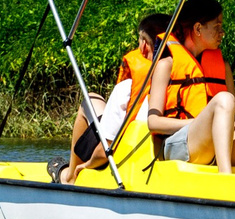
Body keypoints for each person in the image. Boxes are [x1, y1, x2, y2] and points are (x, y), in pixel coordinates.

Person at [148, 0, 235, 178]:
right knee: (224, 99)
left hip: (220, 147)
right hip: (182, 146)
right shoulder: (166, 65)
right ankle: (225, 179)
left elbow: (232, 117)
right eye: (217, 26)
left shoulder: (223, 67)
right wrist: (199, 123)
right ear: (197, 28)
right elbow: (153, 122)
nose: (222, 32)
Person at [54, 12, 170, 185]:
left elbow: (104, 151)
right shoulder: (186, 79)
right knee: (94, 100)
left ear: (144, 45)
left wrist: (86, 165)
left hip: (120, 152)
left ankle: (70, 176)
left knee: (90, 99)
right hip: (159, 145)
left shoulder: (127, 88)